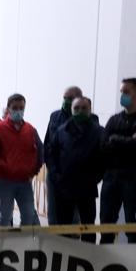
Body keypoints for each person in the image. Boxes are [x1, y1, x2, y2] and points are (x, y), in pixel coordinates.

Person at [100, 78, 136, 243]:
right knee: (106, 224)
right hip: (111, 177)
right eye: (121, 92)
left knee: (133, 225)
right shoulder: (114, 119)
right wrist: (129, 139)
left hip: (134, 178)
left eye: (126, 91)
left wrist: (115, 140)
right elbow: (103, 146)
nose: (123, 95)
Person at [48, 96, 105, 242]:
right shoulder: (61, 131)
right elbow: (51, 155)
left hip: (87, 188)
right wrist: (56, 177)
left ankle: (88, 257)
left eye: (83, 108)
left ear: (90, 110)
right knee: (63, 227)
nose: (80, 111)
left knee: (88, 227)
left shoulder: (99, 132)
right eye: (76, 108)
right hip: (64, 188)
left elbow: (105, 158)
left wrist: (96, 178)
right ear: (71, 110)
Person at [43, 86, 94, 217]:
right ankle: (56, 237)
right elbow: (48, 145)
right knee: (55, 212)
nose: (66, 101)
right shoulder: (55, 116)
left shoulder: (91, 120)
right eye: (64, 98)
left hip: (79, 177)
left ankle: (73, 237)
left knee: (78, 215)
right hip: (56, 174)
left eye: (70, 98)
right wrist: (53, 171)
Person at [0, 94, 43, 227]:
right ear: (8, 108)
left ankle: (23, 243)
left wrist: (34, 172)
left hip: (25, 181)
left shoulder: (30, 130)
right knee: (5, 216)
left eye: (21, 108)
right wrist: (2, 167)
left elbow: (40, 151)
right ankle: (5, 245)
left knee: (28, 215)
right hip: (5, 181)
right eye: (15, 108)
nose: (18, 111)